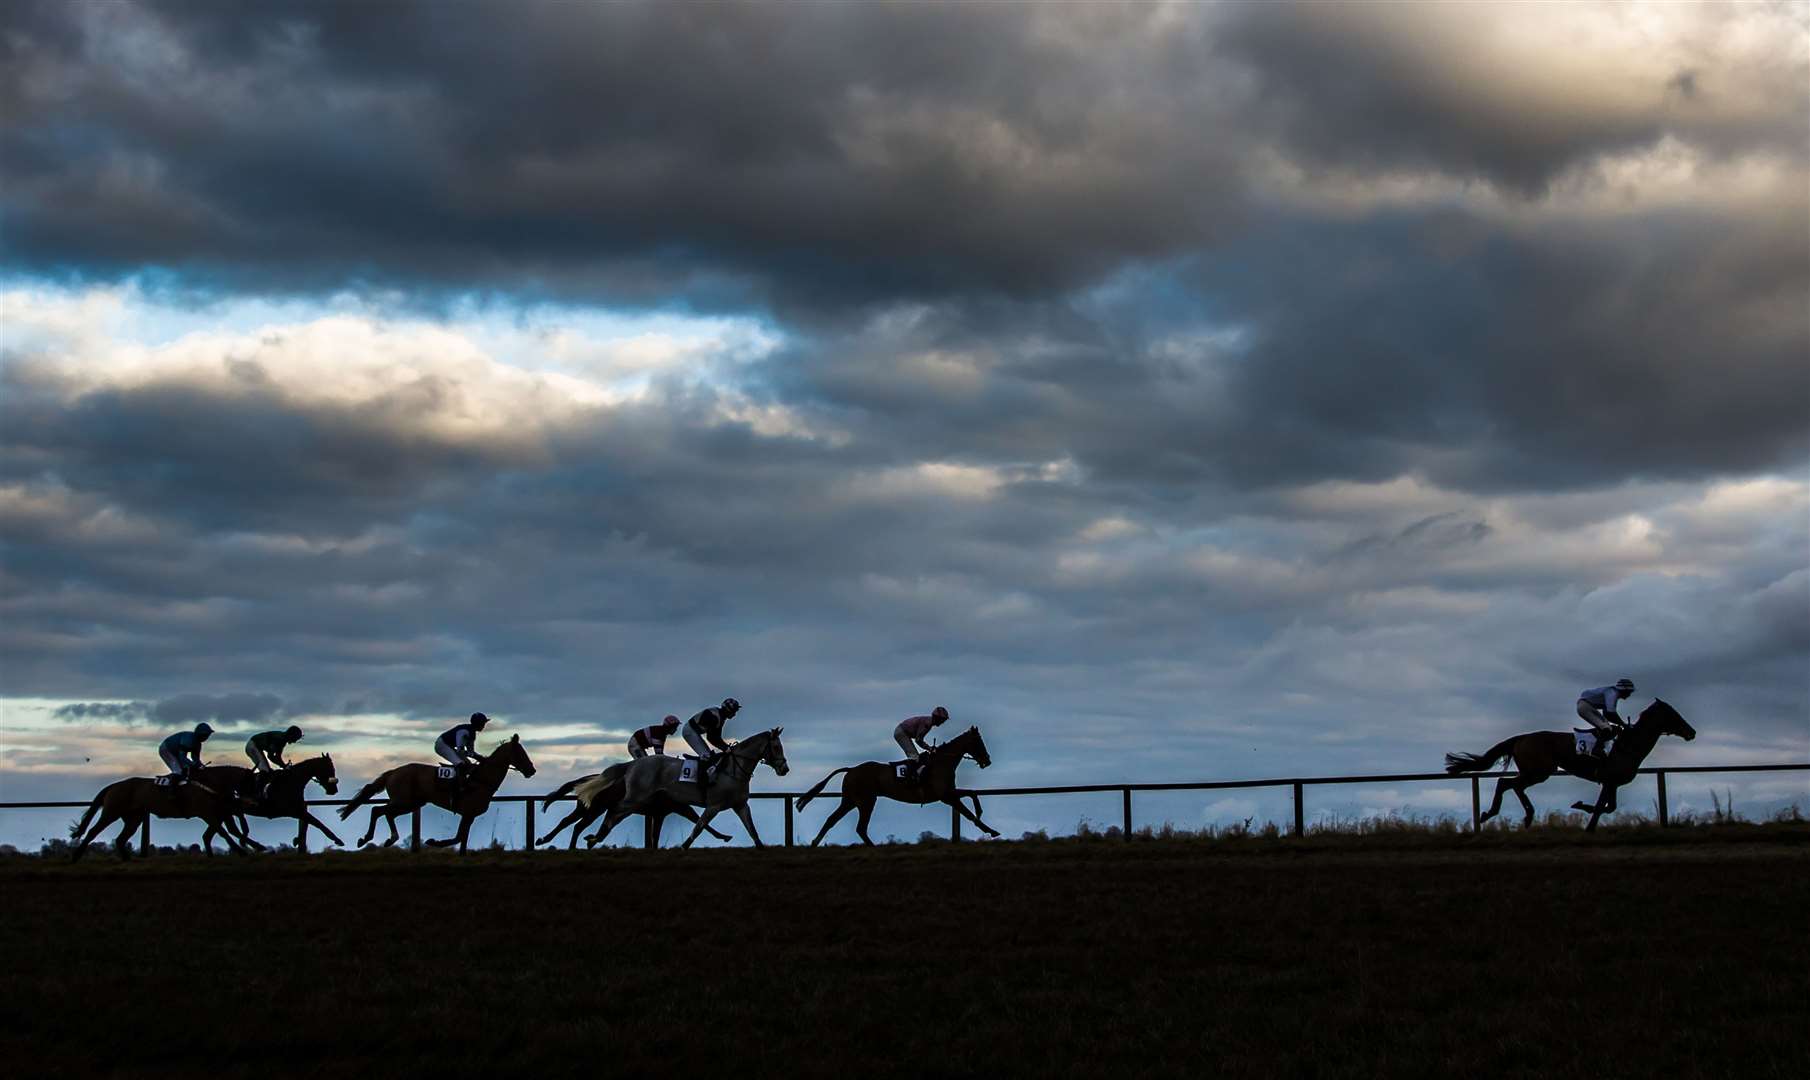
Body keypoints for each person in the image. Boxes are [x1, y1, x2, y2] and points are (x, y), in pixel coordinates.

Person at [1576, 678, 1636, 758]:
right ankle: (1596, 750)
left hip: (1587, 705)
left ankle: (1597, 745)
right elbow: (1611, 714)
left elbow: (1607, 715)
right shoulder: (1612, 694)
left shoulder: (1613, 693)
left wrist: (1622, 724)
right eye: (1629, 692)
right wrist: (1623, 724)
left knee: (1607, 726)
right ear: (1624, 690)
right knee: (1606, 728)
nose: (1629, 695)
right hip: (1585, 706)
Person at [682, 698, 741, 776]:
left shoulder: (721, 717)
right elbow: (711, 738)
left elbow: (716, 737)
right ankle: (701, 781)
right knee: (706, 756)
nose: (734, 714)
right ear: (727, 710)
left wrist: (725, 747)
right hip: (689, 731)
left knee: (710, 756)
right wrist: (725, 748)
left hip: (694, 732)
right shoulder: (714, 717)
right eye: (734, 711)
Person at [894, 707, 949, 782]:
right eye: (942, 720)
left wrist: (929, 748)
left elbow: (919, 739)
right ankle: (910, 778)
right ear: (937, 718)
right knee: (914, 757)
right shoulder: (927, 723)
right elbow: (918, 740)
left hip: (902, 732)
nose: (943, 722)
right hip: (901, 732)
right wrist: (929, 748)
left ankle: (911, 775)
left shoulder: (929, 722)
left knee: (916, 757)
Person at [435, 712, 490, 786]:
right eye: (483, 723)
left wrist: (480, 757)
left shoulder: (472, 733)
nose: (484, 726)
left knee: (467, 763)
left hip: (448, 746)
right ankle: (456, 786)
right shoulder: (464, 731)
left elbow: (471, 752)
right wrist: (478, 757)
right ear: (478, 724)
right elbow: (460, 750)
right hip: (442, 745)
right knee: (461, 764)